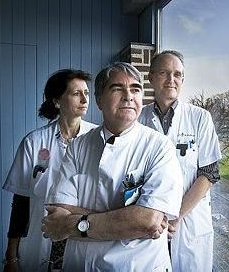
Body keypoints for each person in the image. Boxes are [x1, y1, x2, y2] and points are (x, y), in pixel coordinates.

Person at [42, 62, 183, 271]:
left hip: (139, 266)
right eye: (117, 89)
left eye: (135, 89)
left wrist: (76, 223)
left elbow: (148, 222)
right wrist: (131, 219)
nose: (128, 96)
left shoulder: (160, 147)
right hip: (81, 265)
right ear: (99, 100)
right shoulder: (79, 145)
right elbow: (57, 214)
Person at [2, 69, 98, 272]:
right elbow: (21, 202)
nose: (84, 99)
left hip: (85, 240)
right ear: (57, 101)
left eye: (86, 93)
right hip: (40, 241)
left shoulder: (97, 139)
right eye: (76, 93)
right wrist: (11, 256)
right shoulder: (34, 142)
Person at [138, 50, 222, 272]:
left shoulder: (200, 118)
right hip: (147, 221)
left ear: (183, 80)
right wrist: (154, 218)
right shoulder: (138, 118)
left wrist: (175, 218)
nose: (171, 80)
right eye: (164, 73)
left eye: (177, 74)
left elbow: (210, 173)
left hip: (188, 223)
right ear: (151, 77)